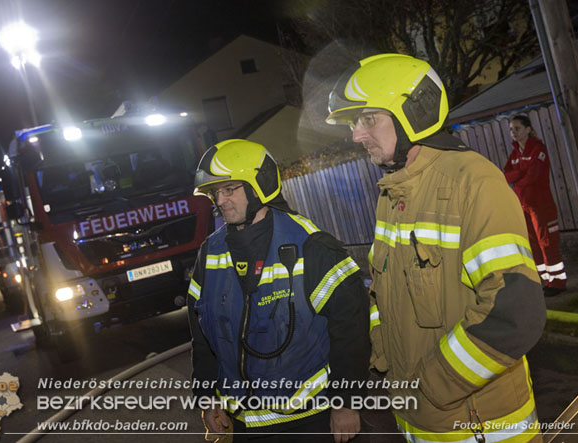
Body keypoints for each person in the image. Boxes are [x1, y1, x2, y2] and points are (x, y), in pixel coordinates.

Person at [325, 54, 546, 442]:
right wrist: (383, 365)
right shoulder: (391, 194)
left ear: (413, 114)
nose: (357, 136)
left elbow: (514, 311)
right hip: (419, 423)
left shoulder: (473, 181)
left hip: (480, 429)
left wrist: (430, 386)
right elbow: (386, 300)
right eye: (354, 124)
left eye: (367, 120)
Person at [187, 139, 370, 442]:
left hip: (311, 421)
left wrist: (347, 401)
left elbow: (351, 329)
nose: (220, 200)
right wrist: (206, 397)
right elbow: (202, 334)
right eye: (214, 193)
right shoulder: (210, 252)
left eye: (229, 189)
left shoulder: (312, 245)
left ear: (260, 185)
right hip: (245, 423)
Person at [504, 115, 567, 296]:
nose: (513, 133)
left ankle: (558, 283)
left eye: (517, 128)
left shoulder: (538, 150)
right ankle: (546, 280)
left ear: (528, 129)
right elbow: (506, 175)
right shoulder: (515, 153)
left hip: (541, 205)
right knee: (533, 244)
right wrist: (521, 173)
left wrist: (518, 177)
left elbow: (534, 176)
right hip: (523, 205)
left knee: (547, 242)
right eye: (511, 129)